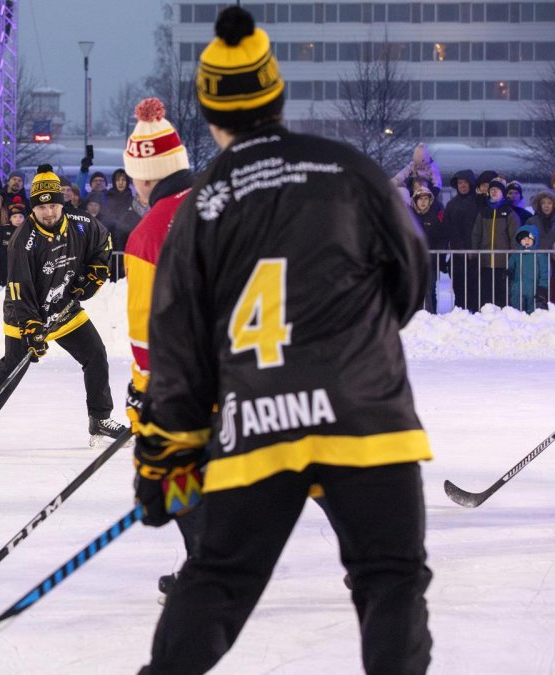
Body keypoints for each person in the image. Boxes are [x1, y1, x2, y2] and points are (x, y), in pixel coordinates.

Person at [133, 9, 432, 673]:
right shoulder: (350, 170)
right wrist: (359, 333)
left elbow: (178, 351)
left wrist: (164, 460)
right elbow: (410, 277)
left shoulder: (202, 204)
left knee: (216, 579)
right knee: (392, 581)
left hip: (260, 419)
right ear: (276, 95)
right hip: (368, 414)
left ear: (212, 111)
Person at [0, 165, 125, 451]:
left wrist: (95, 272)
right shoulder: (22, 241)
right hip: (25, 310)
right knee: (13, 367)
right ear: (33, 209)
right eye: (41, 208)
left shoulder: (80, 222)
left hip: (63, 304)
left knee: (95, 354)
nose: (48, 213)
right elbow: (20, 289)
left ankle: (100, 419)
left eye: (53, 206)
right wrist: (32, 326)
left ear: (62, 203)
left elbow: (104, 242)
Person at [120, 96, 201, 593]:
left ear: (146, 177)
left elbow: (146, 334)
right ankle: (374, 555)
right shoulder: (227, 200)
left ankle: (205, 567)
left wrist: (144, 393)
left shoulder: (150, 233)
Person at [471, 178, 520, 308]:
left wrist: (513, 258)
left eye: (497, 190)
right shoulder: (483, 212)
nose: (494, 192)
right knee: (486, 294)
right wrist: (474, 255)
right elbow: (476, 234)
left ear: (503, 193)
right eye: (492, 189)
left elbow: (514, 236)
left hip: (503, 262)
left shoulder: (509, 213)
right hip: (485, 262)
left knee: (502, 294)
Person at [443, 169, 480, 310]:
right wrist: (443, 255)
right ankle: (460, 312)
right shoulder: (451, 204)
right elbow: (446, 230)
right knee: (458, 287)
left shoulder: (479, 202)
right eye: (460, 183)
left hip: (475, 255)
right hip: (457, 254)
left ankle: (476, 313)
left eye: (465, 182)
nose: (462, 186)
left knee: (474, 288)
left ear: (471, 184)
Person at [410, 184, 447, 312]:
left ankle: (431, 315)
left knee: (430, 289)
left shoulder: (436, 216)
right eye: (420, 199)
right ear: (415, 201)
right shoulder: (409, 216)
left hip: (431, 260)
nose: (423, 202)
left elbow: (442, 236)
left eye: (426, 199)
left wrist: (438, 252)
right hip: (414, 261)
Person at [507, 225, 548, 313]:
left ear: (535, 239)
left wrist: (542, 287)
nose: (526, 241)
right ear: (519, 240)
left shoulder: (540, 255)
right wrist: (508, 272)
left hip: (534, 288)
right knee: (517, 311)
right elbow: (511, 266)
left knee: (534, 311)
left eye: (529, 239)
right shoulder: (516, 254)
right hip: (518, 288)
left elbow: (545, 272)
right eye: (523, 239)